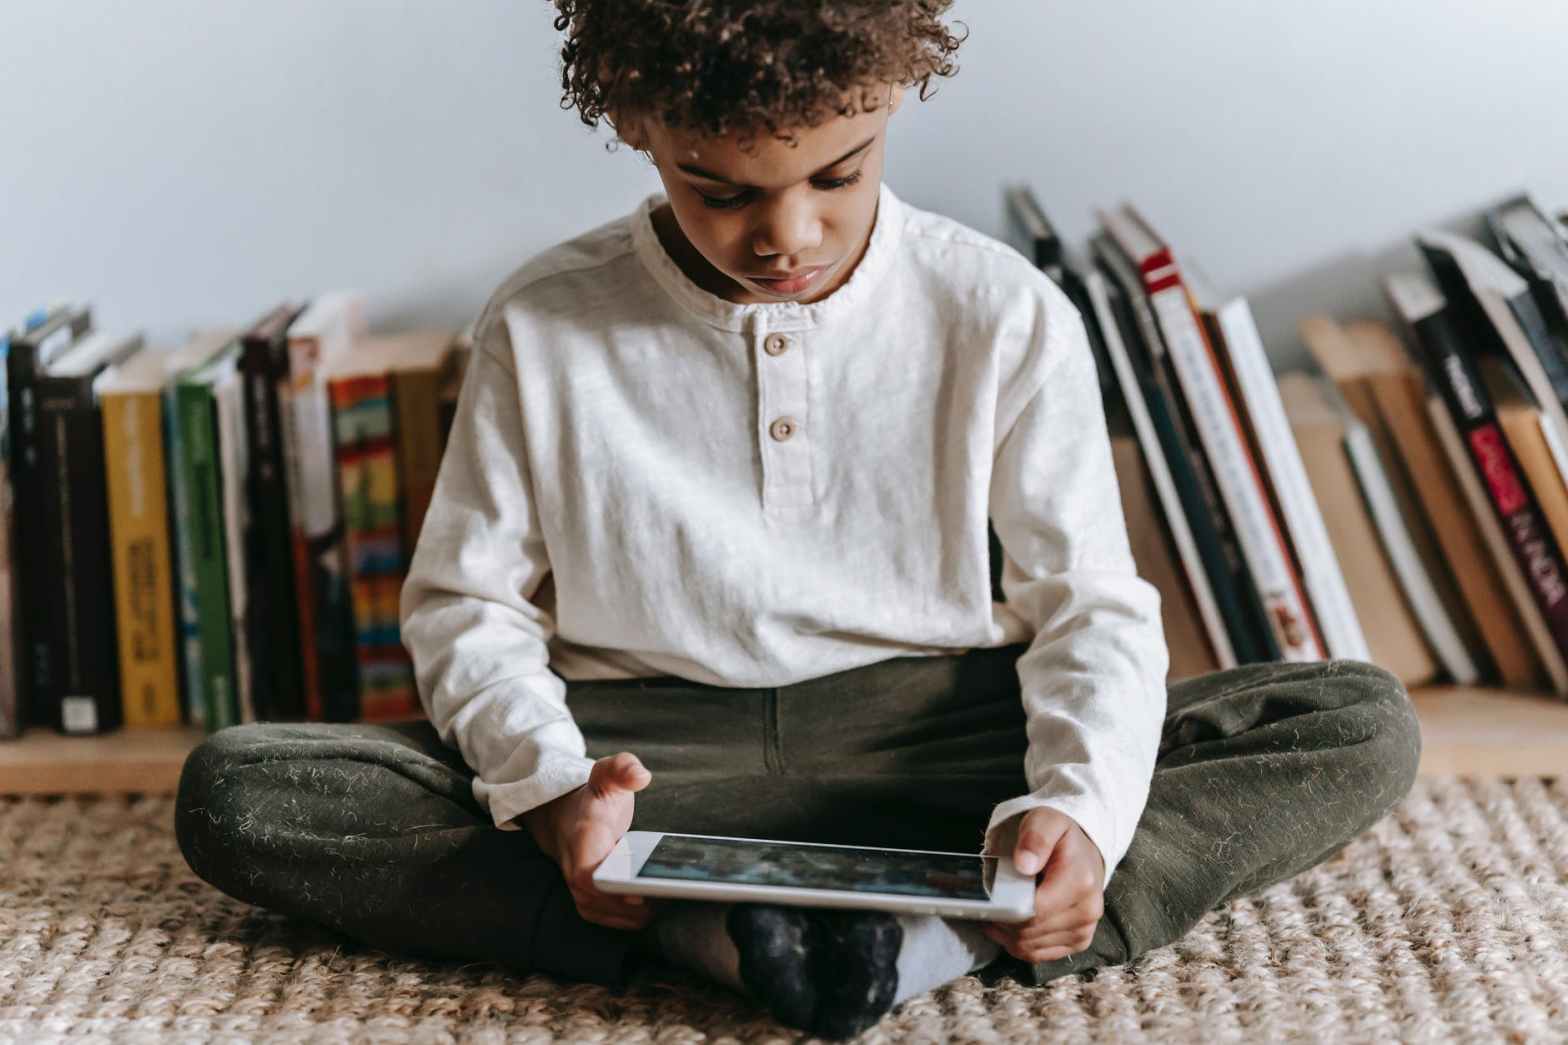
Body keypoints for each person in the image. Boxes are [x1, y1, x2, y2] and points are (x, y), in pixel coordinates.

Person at [174, 2, 1423, 1039]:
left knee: (1352, 722)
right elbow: (467, 603)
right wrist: (554, 788)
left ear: (889, 102)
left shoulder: (1002, 311)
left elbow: (1086, 603)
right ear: (635, 126)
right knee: (240, 791)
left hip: (932, 736)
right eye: (717, 190)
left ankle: (902, 929)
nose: (786, 236)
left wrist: (1079, 809)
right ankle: (741, 921)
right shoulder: (545, 319)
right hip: (648, 753)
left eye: (837, 173)